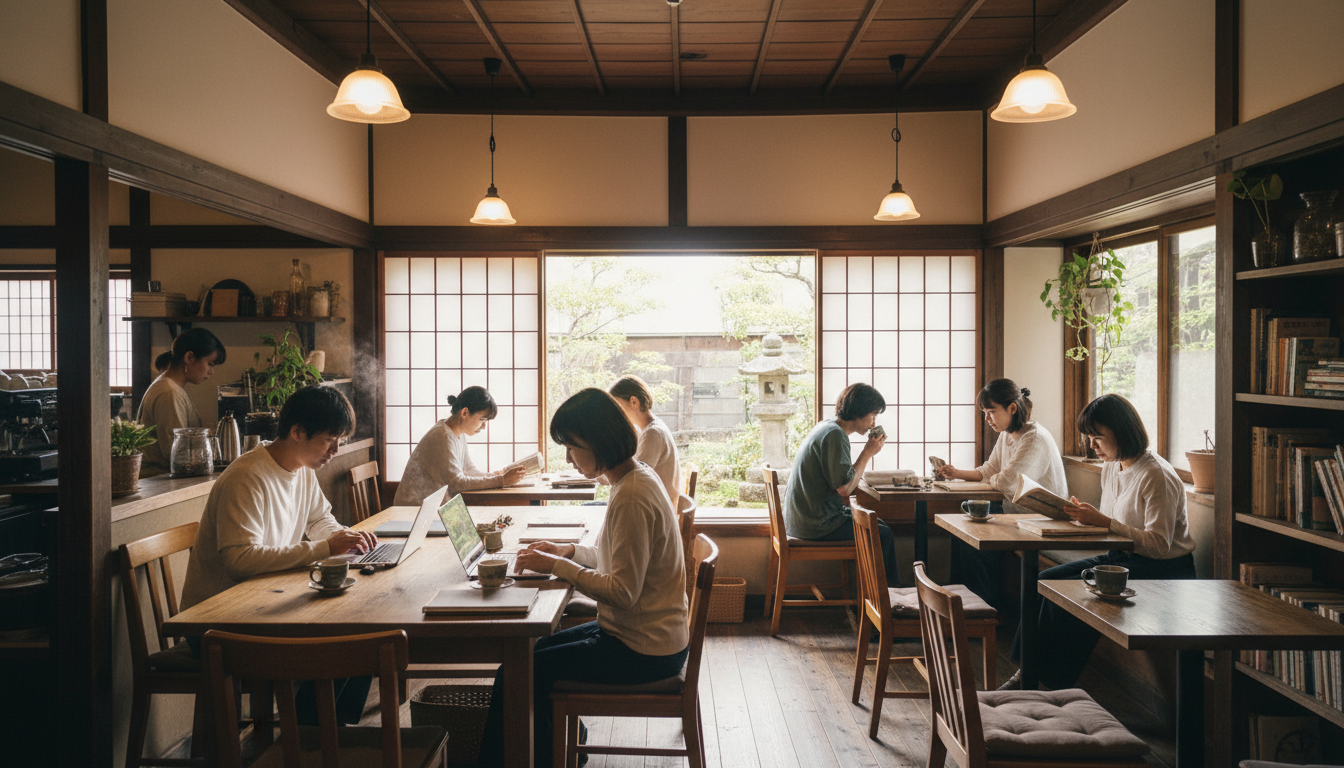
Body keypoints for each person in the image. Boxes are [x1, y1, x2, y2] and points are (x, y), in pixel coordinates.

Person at [479, 388, 688, 768]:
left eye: (571, 447)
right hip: (642, 636)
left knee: (518, 673)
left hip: (644, 651)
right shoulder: (632, 479)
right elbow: (617, 560)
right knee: (527, 656)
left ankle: (536, 757)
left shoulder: (632, 495)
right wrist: (568, 552)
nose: (568, 459)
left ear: (597, 441)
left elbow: (623, 592)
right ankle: (563, 747)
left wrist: (559, 567)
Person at [181, 385, 378, 724]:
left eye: (340, 441)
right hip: (218, 625)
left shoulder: (302, 468)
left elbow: (319, 518)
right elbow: (240, 561)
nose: (334, 450)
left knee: (368, 638)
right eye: (329, 439)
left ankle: (330, 739)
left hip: (263, 607)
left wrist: (343, 538)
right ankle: (305, 744)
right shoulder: (247, 477)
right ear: (297, 431)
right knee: (345, 646)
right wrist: (323, 548)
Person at [1000, 393, 1197, 691]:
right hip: (1122, 560)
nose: (1091, 445)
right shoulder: (1113, 467)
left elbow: (1159, 545)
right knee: (1046, 580)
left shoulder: (1156, 475)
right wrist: (1082, 516)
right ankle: (1027, 673)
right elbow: (1115, 524)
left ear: (1123, 432)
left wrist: (1103, 522)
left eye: (1097, 438)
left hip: (1162, 570)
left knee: (1073, 595)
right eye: (1089, 437)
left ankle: (1047, 684)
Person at [936, 378, 1066, 606]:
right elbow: (990, 471)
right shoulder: (1007, 434)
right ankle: (966, 605)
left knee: (972, 532)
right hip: (1015, 515)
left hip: (1042, 520)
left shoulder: (1034, 437)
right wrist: (955, 472)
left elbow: (1006, 483)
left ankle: (985, 605)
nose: (986, 419)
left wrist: (997, 477)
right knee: (962, 529)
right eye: (984, 412)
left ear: (1012, 408)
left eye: (990, 412)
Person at [783, 382, 899, 587]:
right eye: (873, 415)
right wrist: (867, 453)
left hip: (803, 518)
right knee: (884, 534)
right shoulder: (835, 435)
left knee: (880, 526)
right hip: (816, 523)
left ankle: (874, 597)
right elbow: (845, 488)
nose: (874, 423)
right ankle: (887, 600)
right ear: (858, 413)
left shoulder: (826, 426)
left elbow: (843, 481)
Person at [392, 386, 527, 506]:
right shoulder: (442, 435)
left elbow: (468, 469)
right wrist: (501, 480)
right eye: (482, 419)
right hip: (412, 510)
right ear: (464, 413)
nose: (484, 426)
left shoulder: (456, 433)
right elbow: (457, 484)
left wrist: (492, 476)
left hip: (429, 509)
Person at [137, 328, 226, 475]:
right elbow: (177, 452)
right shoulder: (169, 392)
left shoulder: (170, 387)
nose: (212, 372)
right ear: (189, 358)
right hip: (160, 481)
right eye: (210, 364)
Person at [606, 375, 682, 504]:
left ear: (634, 402)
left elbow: (632, 479)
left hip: (656, 508)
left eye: (617, 406)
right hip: (652, 502)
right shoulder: (644, 430)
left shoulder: (653, 433)